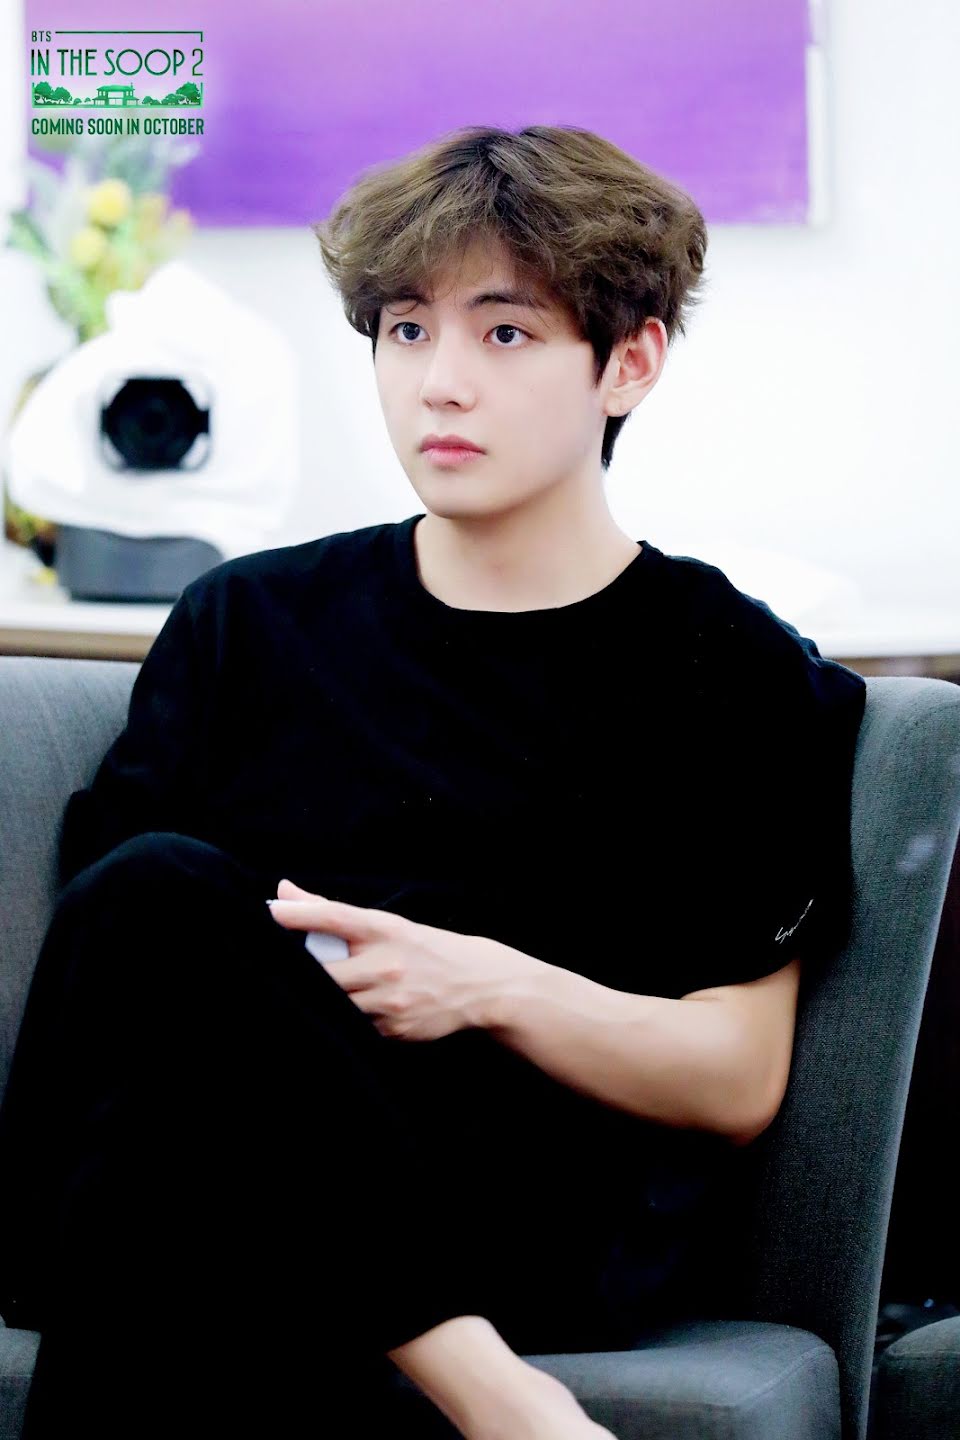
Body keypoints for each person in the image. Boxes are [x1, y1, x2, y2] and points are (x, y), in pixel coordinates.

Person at [0, 124, 866, 1439]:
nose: (440, 385)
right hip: (190, 1164)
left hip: (519, 1223)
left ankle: (466, 1356)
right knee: (155, 904)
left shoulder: (731, 672)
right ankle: (497, 1401)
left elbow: (733, 1077)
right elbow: (114, 984)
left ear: (629, 363)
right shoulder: (247, 625)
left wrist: (483, 984)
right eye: (407, 331)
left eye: (504, 333)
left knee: (155, 1222)